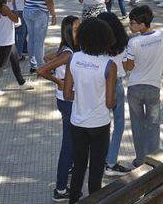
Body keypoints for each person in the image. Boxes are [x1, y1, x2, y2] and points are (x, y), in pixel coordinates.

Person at [63, 17, 117, 203]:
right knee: (95, 171)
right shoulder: (109, 65)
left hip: (77, 122)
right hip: (99, 124)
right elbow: (110, 103)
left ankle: (73, 200)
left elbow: (67, 93)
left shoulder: (74, 58)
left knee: (78, 166)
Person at [37, 16, 80, 202]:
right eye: (77, 29)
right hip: (68, 102)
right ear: (68, 32)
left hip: (65, 102)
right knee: (69, 146)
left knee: (70, 142)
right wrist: (59, 81)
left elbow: (48, 57)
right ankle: (61, 189)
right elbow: (42, 70)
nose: (80, 32)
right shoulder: (68, 54)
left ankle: (68, 168)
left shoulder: (66, 51)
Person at [125, 5, 163, 168]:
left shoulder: (134, 42)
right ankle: (154, 161)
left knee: (138, 125)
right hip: (154, 87)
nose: (129, 26)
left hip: (135, 88)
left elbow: (129, 67)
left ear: (142, 24)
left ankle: (140, 161)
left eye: (132, 23)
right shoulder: (162, 36)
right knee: (153, 125)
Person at [97, 12, 132, 176]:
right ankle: (111, 162)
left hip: (97, 85)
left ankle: (99, 159)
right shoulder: (124, 44)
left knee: (100, 124)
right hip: (116, 84)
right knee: (119, 123)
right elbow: (126, 69)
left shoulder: (95, 46)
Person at [23, 0, 57, 74]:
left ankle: (33, 65)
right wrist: (53, 13)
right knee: (39, 41)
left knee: (31, 39)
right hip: (40, 12)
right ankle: (42, 66)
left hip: (27, 10)